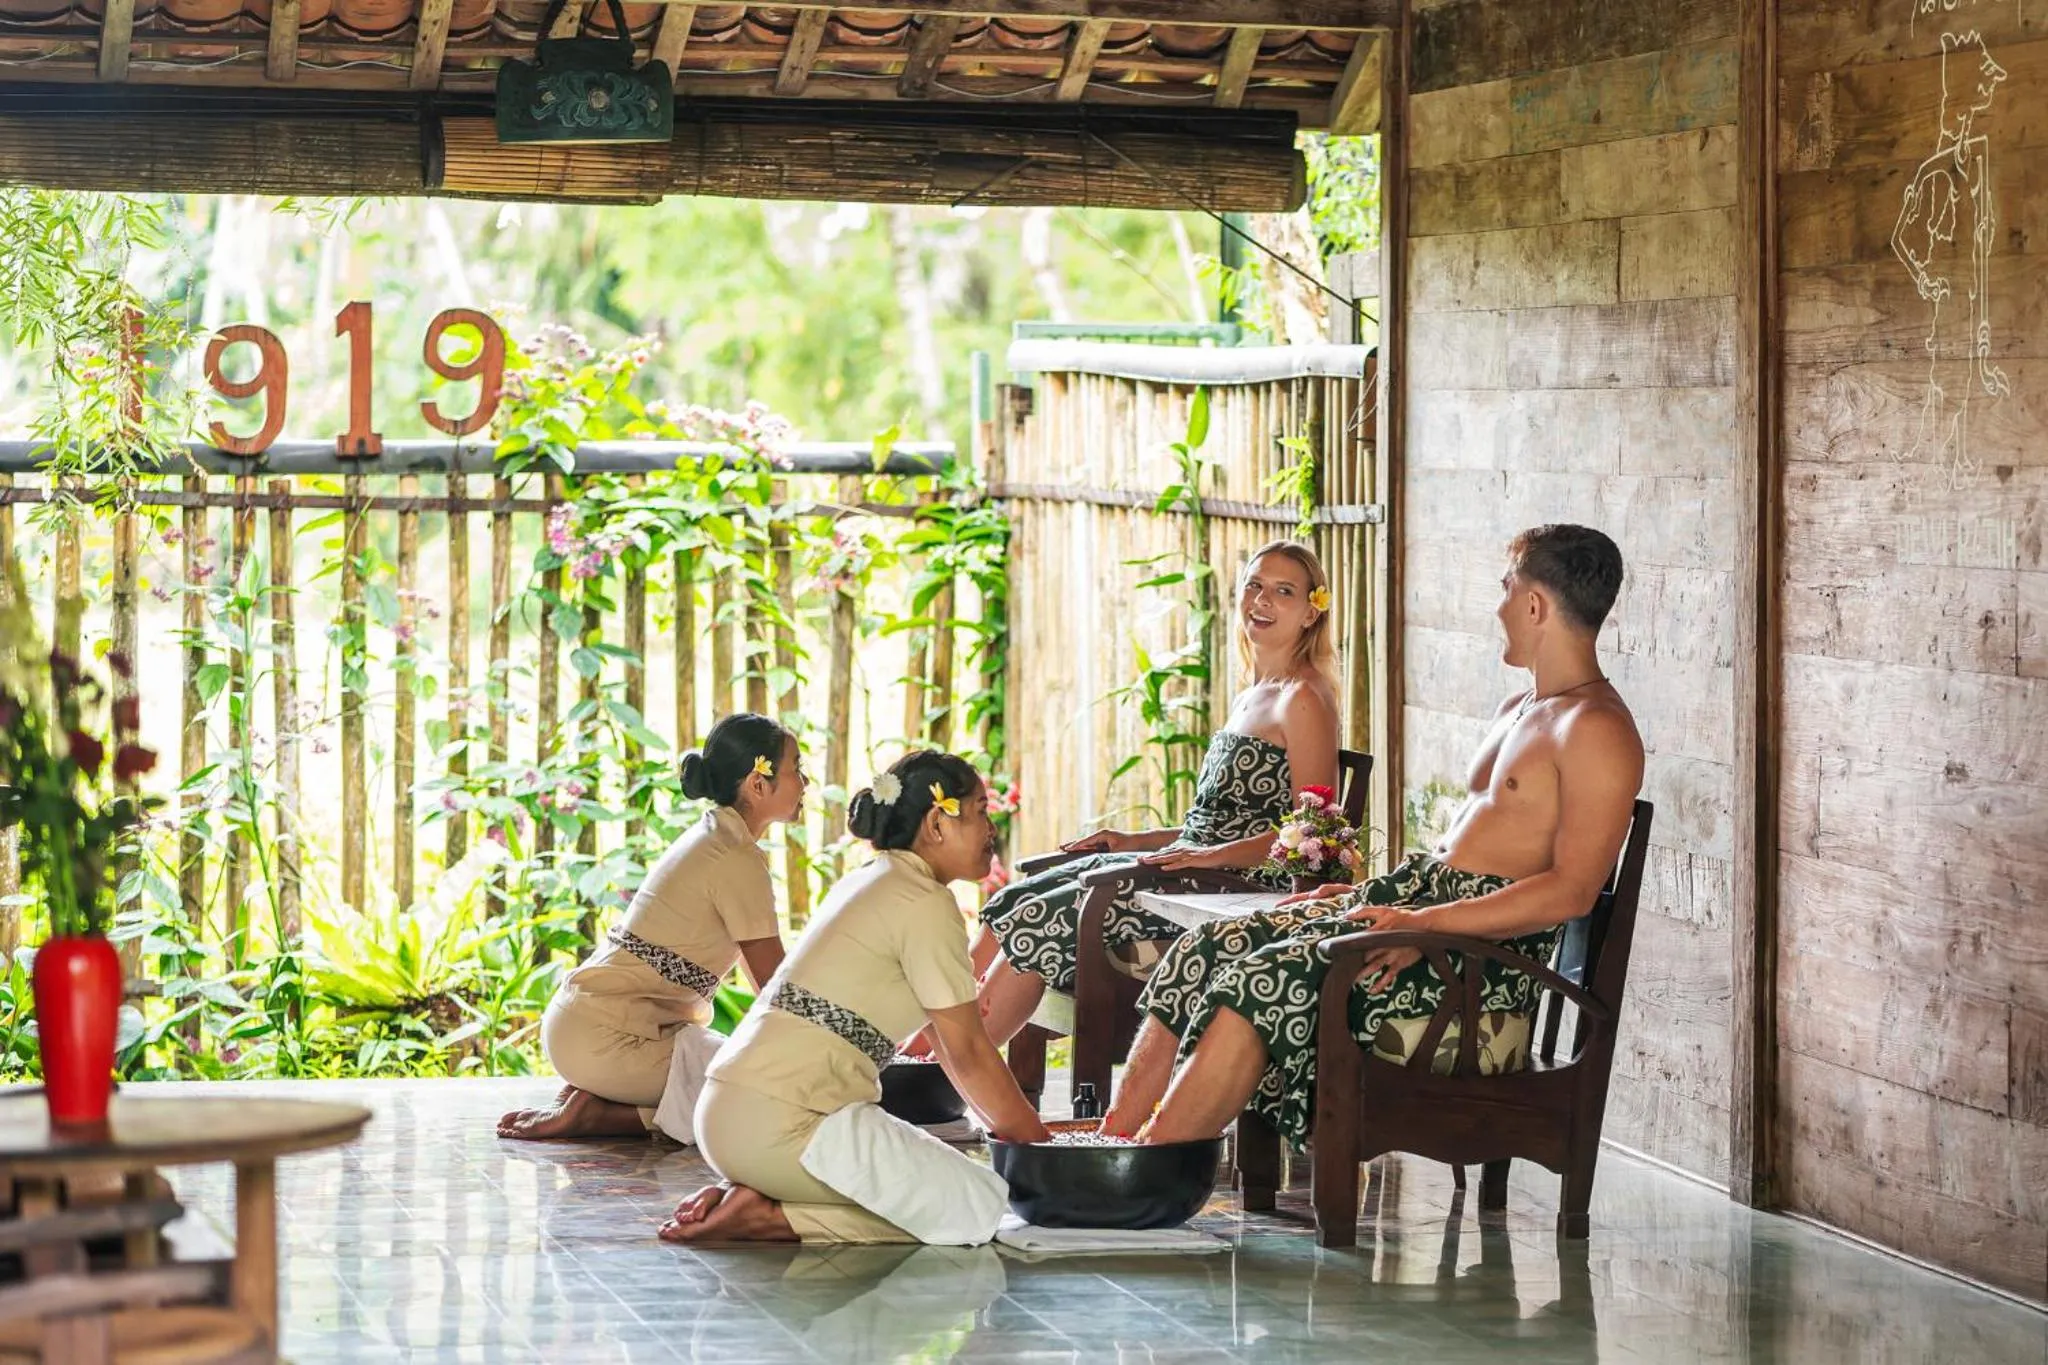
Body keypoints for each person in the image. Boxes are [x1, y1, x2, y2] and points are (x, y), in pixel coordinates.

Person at [1100, 524, 1645, 1149]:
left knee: (1259, 975)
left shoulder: (1598, 730)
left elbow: (1572, 892)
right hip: (1419, 912)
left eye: (1505, 589)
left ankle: (1147, 1166)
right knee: (1210, 944)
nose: (1498, 607)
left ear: (1534, 604)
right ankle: (1114, 1148)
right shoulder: (1519, 709)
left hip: (1472, 968)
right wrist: (1348, 900)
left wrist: (1431, 927)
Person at [959, 540, 1342, 1054]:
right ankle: (919, 1059)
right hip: (1190, 866)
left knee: (1040, 914)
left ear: (1310, 612)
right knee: (1017, 897)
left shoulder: (1304, 699)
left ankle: (952, 1071)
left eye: (1284, 591)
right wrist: (1130, 841)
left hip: (1226, 888)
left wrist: (1209, 857)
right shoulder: (1253, 692)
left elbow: (1312, 833)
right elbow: (1213, 823)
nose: (1262, 600)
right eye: (1254, 585)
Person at [660, 751, 1052, 1246]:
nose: (990, 828)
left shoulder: (875, 877)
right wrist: (1042, 1149)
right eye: (978, 810)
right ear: (936, 822)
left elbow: (950, 1038)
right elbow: (968, 1053)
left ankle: (762, 1195)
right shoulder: (924, 902)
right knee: (975, 1206)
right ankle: (770, 1218)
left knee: (959, 1192)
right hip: (784, 1124)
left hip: (731, 1112)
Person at [497, 713, 803, 1142]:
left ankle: (606, 1099)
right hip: (609, 1043)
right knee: (771, 1092)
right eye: (796, 769)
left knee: (750, 1067)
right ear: (758, 783)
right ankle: (603, 1115)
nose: (804, 783)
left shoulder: (715, 836)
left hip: (589, 1029)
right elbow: (772, 987)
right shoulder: (734, 855)